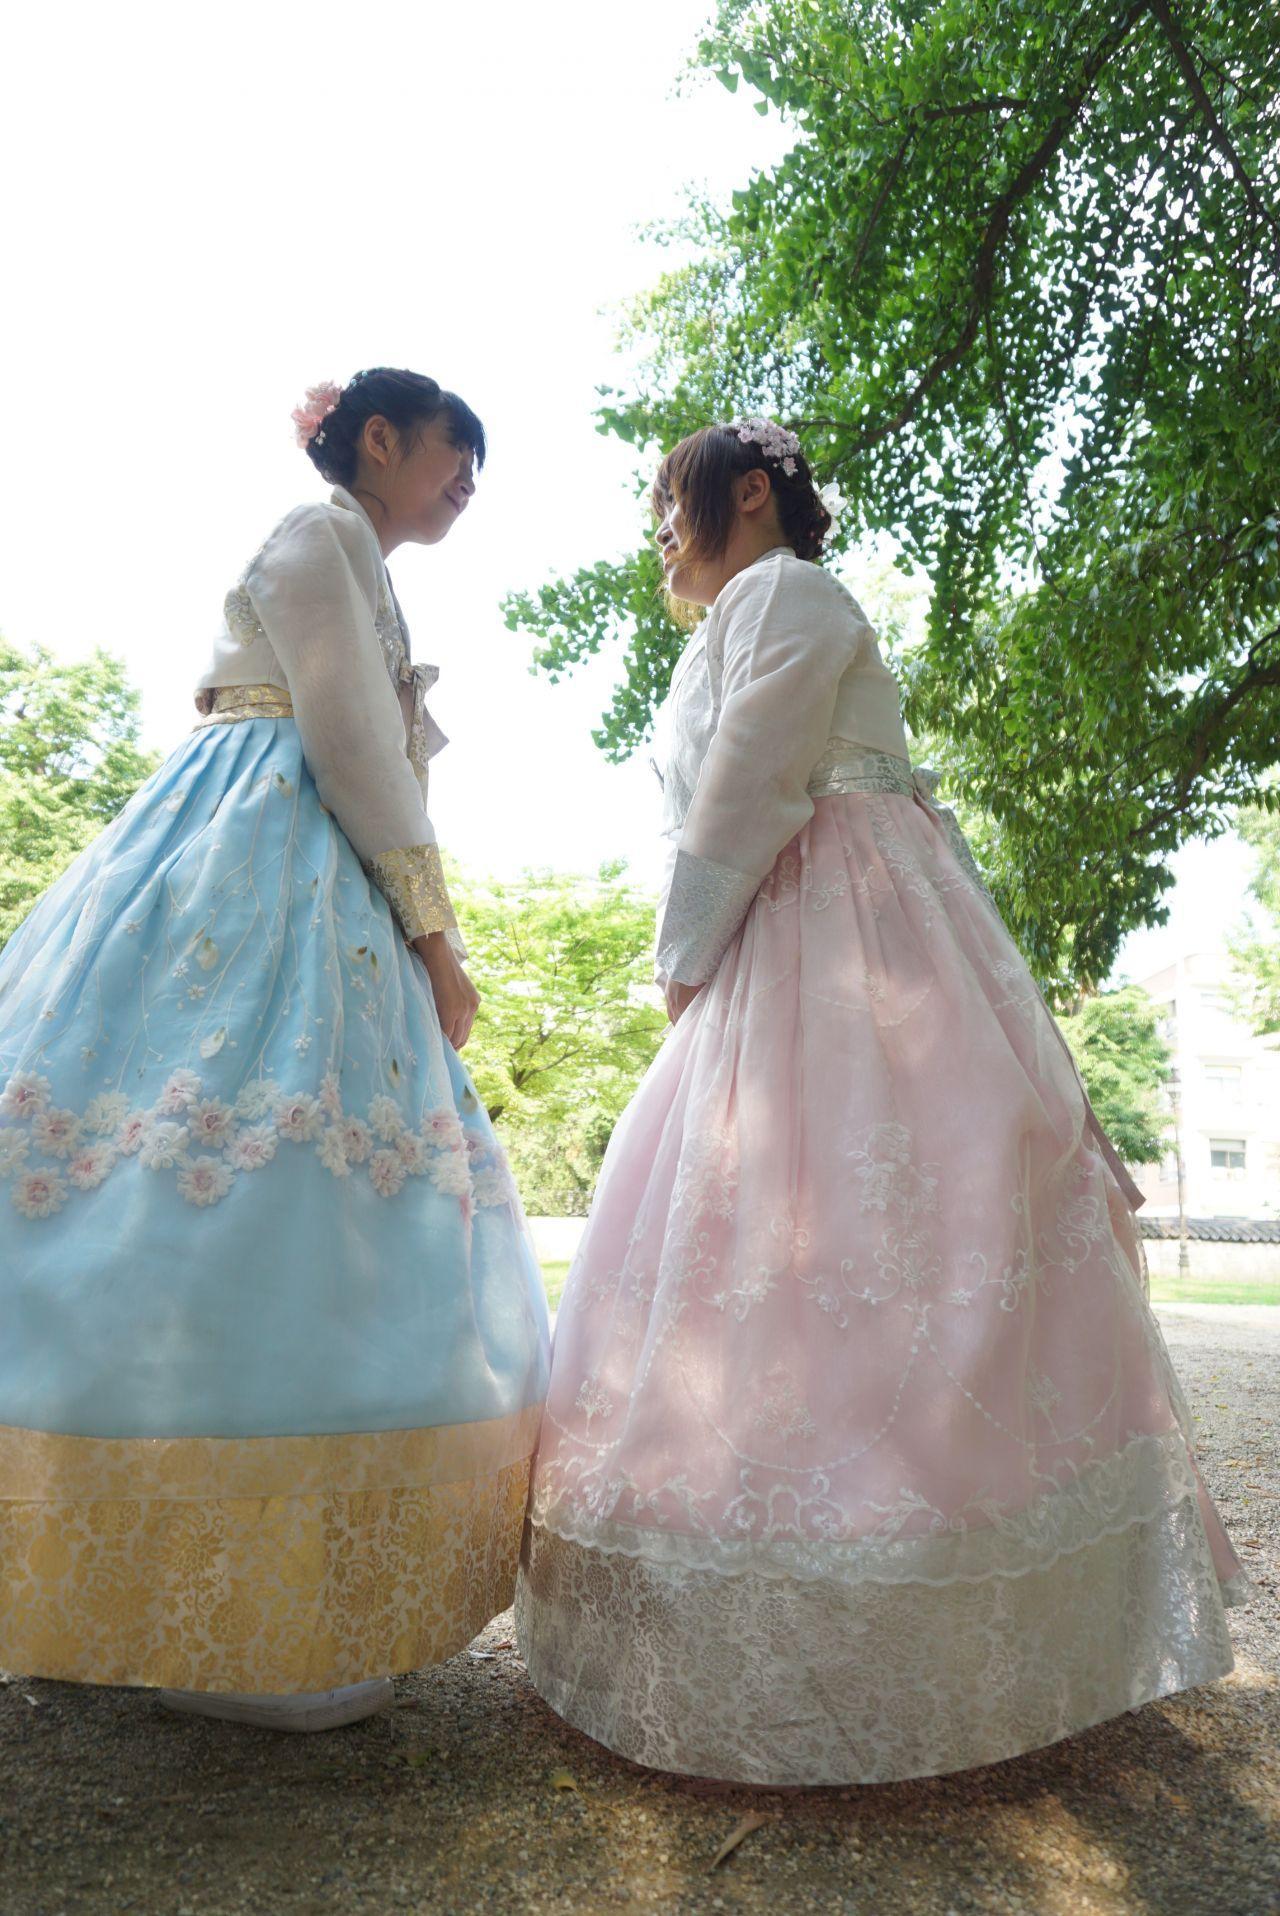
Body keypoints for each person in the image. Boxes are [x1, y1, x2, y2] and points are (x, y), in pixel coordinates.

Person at [515, 416, 1245, 1786]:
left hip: (832, 914)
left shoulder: (786, 591)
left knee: (869, 1209)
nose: (659, 532)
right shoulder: (739, 614)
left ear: (746, 495)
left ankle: (896, 1592)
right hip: (809, 910)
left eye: (670, 502)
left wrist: (684, 951)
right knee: (807, 1225)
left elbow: (752, 778)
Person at [0, 368, 549, 1732]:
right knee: (234, 1179)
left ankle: (226, 1591)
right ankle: (168, 1588)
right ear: (380, 440)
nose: (468, 483)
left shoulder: (359, 553)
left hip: (283, 852)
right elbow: (351, 736)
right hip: (261, 847)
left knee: (259, 1201)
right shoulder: (324, 536)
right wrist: (434, 935)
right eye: (453, 456)